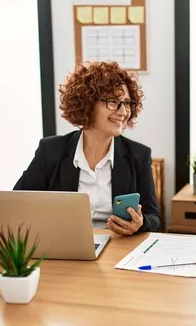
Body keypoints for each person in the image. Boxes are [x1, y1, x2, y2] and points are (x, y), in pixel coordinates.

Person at [14, 61, 160, 236]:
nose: (123, 112)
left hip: (115, 250)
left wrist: (140, 224)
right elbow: (18, 202)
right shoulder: (51, 150)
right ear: (88, 104)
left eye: (127, 103)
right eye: (113, 102)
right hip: (62, 245)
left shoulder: (138, 155)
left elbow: (154, 217)